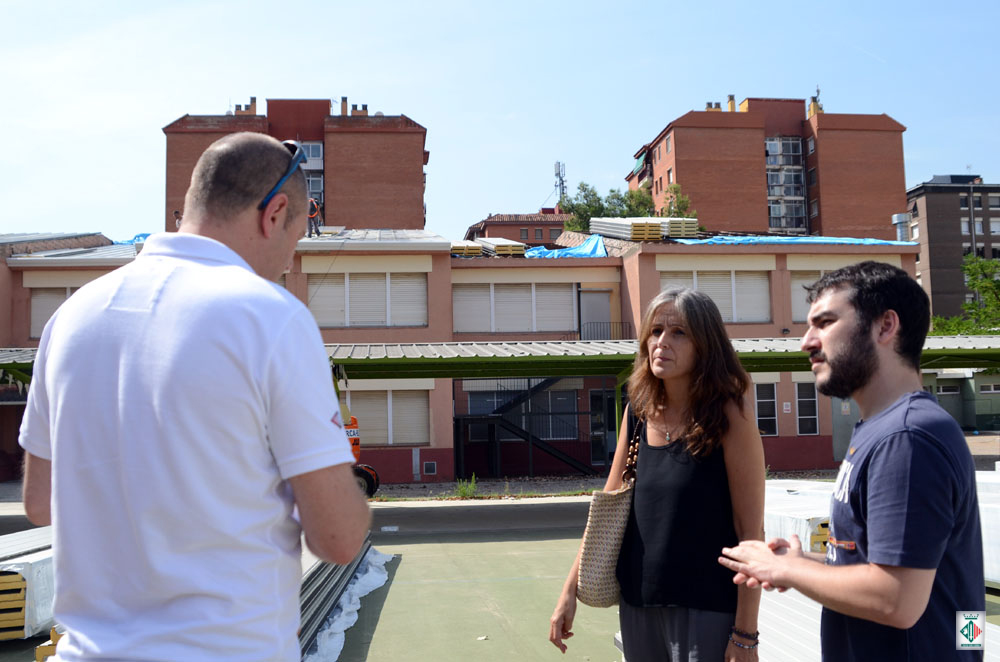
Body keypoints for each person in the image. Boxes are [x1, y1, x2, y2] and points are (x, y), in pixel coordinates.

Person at [19, 132, 371, 662]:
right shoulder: (270, 317)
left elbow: (39, 502)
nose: (289, 262)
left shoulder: (70, 317)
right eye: (296, 239)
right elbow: (338, 538)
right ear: (274, 213)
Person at [719, 261, 985, 661]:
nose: (806, 342)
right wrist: (803, 562)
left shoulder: (907, 437)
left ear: (885, 326)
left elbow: (896, 599)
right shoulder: (885, 429)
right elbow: (882, 562)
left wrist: (786, 571)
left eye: (825, 323)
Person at [550, 287, 766, 661]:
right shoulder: (638, 411)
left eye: (679, 332)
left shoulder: (731, 415)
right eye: (655, 331)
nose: (662, 342)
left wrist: (746, 633)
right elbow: (606, 509)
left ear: (706, 345)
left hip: (707, 610)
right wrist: (569, 591)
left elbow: (751, 532)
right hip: (638, 606)